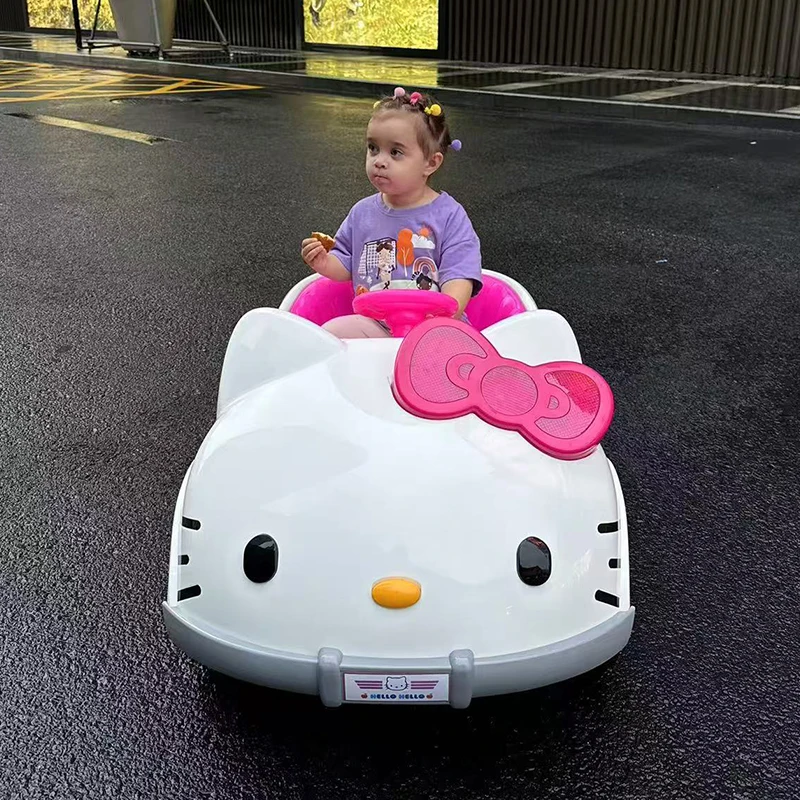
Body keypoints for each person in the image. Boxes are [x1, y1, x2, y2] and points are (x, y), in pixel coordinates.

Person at [300, 87, 482, 338]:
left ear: (430, 163)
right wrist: (324, 262)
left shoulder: (450, 216)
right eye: (373, 148)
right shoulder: (362, 213)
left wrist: (443, 320)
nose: (379, 161)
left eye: (395, 152)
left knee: (456, 344)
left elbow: (459, 277)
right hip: (378, 325)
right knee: (331, 334)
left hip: (435, 329)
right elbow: (346, 262)